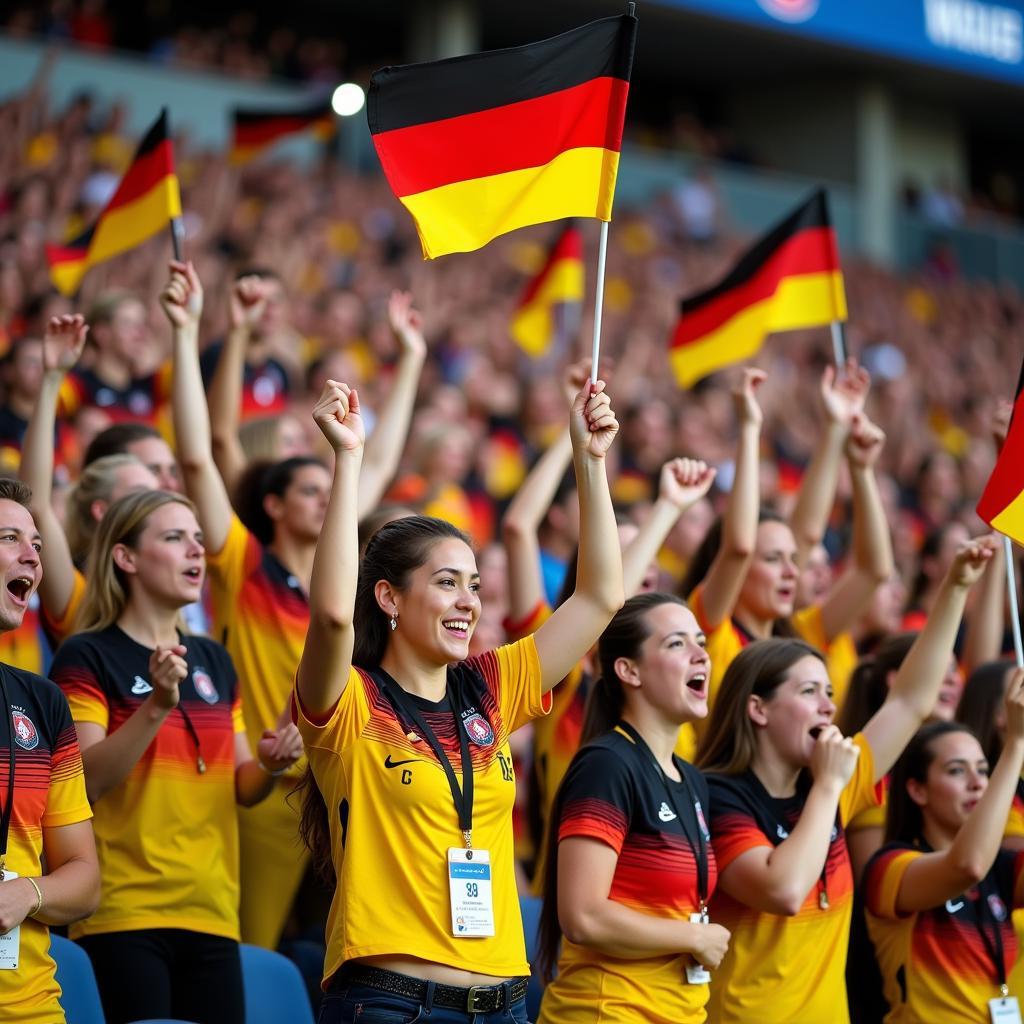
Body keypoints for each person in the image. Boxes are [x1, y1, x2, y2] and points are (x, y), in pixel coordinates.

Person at [293, 368, 623, 1023]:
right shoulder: (349, 700)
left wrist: (590, 463)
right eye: (446, 583)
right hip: (391, 1002)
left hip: (502, 1002)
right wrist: (348, 461)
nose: (468, 602)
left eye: (473, 585)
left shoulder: (491, 688)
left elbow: (599, 598)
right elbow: (332, 615)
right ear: (388, 597)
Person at [165, 260, 426, 949]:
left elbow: (381, 459)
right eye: (308, 489)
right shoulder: (242, 562)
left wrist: (411, 361)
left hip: (345, 777)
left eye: (328, 487)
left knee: (350, 951)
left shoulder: (343, 573)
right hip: (261, 778)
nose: (327, 496)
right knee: (254, 952)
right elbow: (202, 455)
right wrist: (202, 332)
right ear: (273, 505)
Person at [696, 535, 996, 1023]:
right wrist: (829, 788)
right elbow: (784, 889)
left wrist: (955, 588)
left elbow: (910, 701)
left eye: (830, 692)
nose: (828, 707)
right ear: (758, 709)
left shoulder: (831, 780)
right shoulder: (718, 795)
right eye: (810, 692)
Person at [50, 488, 303, 1024]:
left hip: (212, 911)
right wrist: (157, 705)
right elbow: (85, 781)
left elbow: (241, 786)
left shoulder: (213, 658)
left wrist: (273, 765)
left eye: (197, 539)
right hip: (124, 913)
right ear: (126, 558)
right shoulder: (87, 654)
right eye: (173, 538)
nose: (196, 551)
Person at [536, 591, 727, 1023]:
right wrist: (694, 937)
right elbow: (583, 915)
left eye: (700, 641)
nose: (701, 655)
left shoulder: (692, 778)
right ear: (629, 670)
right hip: (608, 1011)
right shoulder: (607, 764)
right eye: (677, 644)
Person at [864, 670, 1024, 1022]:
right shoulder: (888, 867)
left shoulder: (1002, 867)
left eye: (984, 770)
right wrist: (1015, 745)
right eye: (956, 771)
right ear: (917, 790)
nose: (977, 784)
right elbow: (966, 866)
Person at [0, 477, 99, 1023]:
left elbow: (83, 877)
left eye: (37, 545)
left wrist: (27, 895)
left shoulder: (42, 701)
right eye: (10, 539)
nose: (32, 558)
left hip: (31, 1007)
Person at [19, 315, 160, 647]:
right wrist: (52, 378)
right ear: (101, 509)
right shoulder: (80, 597)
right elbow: (36, 504)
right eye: (140, 493)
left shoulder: (170, 589)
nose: (155, 503)